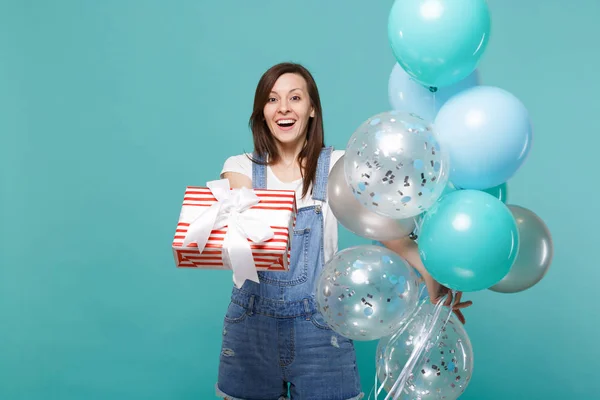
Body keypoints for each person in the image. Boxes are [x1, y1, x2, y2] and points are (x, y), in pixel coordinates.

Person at [215, 62, 471, 400]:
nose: (284, 108)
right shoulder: (240, 167)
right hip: (252, 327)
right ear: (262, 112)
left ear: (311, 110)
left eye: (295, 97)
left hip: (320, 328)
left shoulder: (339, 166)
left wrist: (431, 276)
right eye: (272, 100)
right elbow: (237, 217)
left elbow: (387, 231)